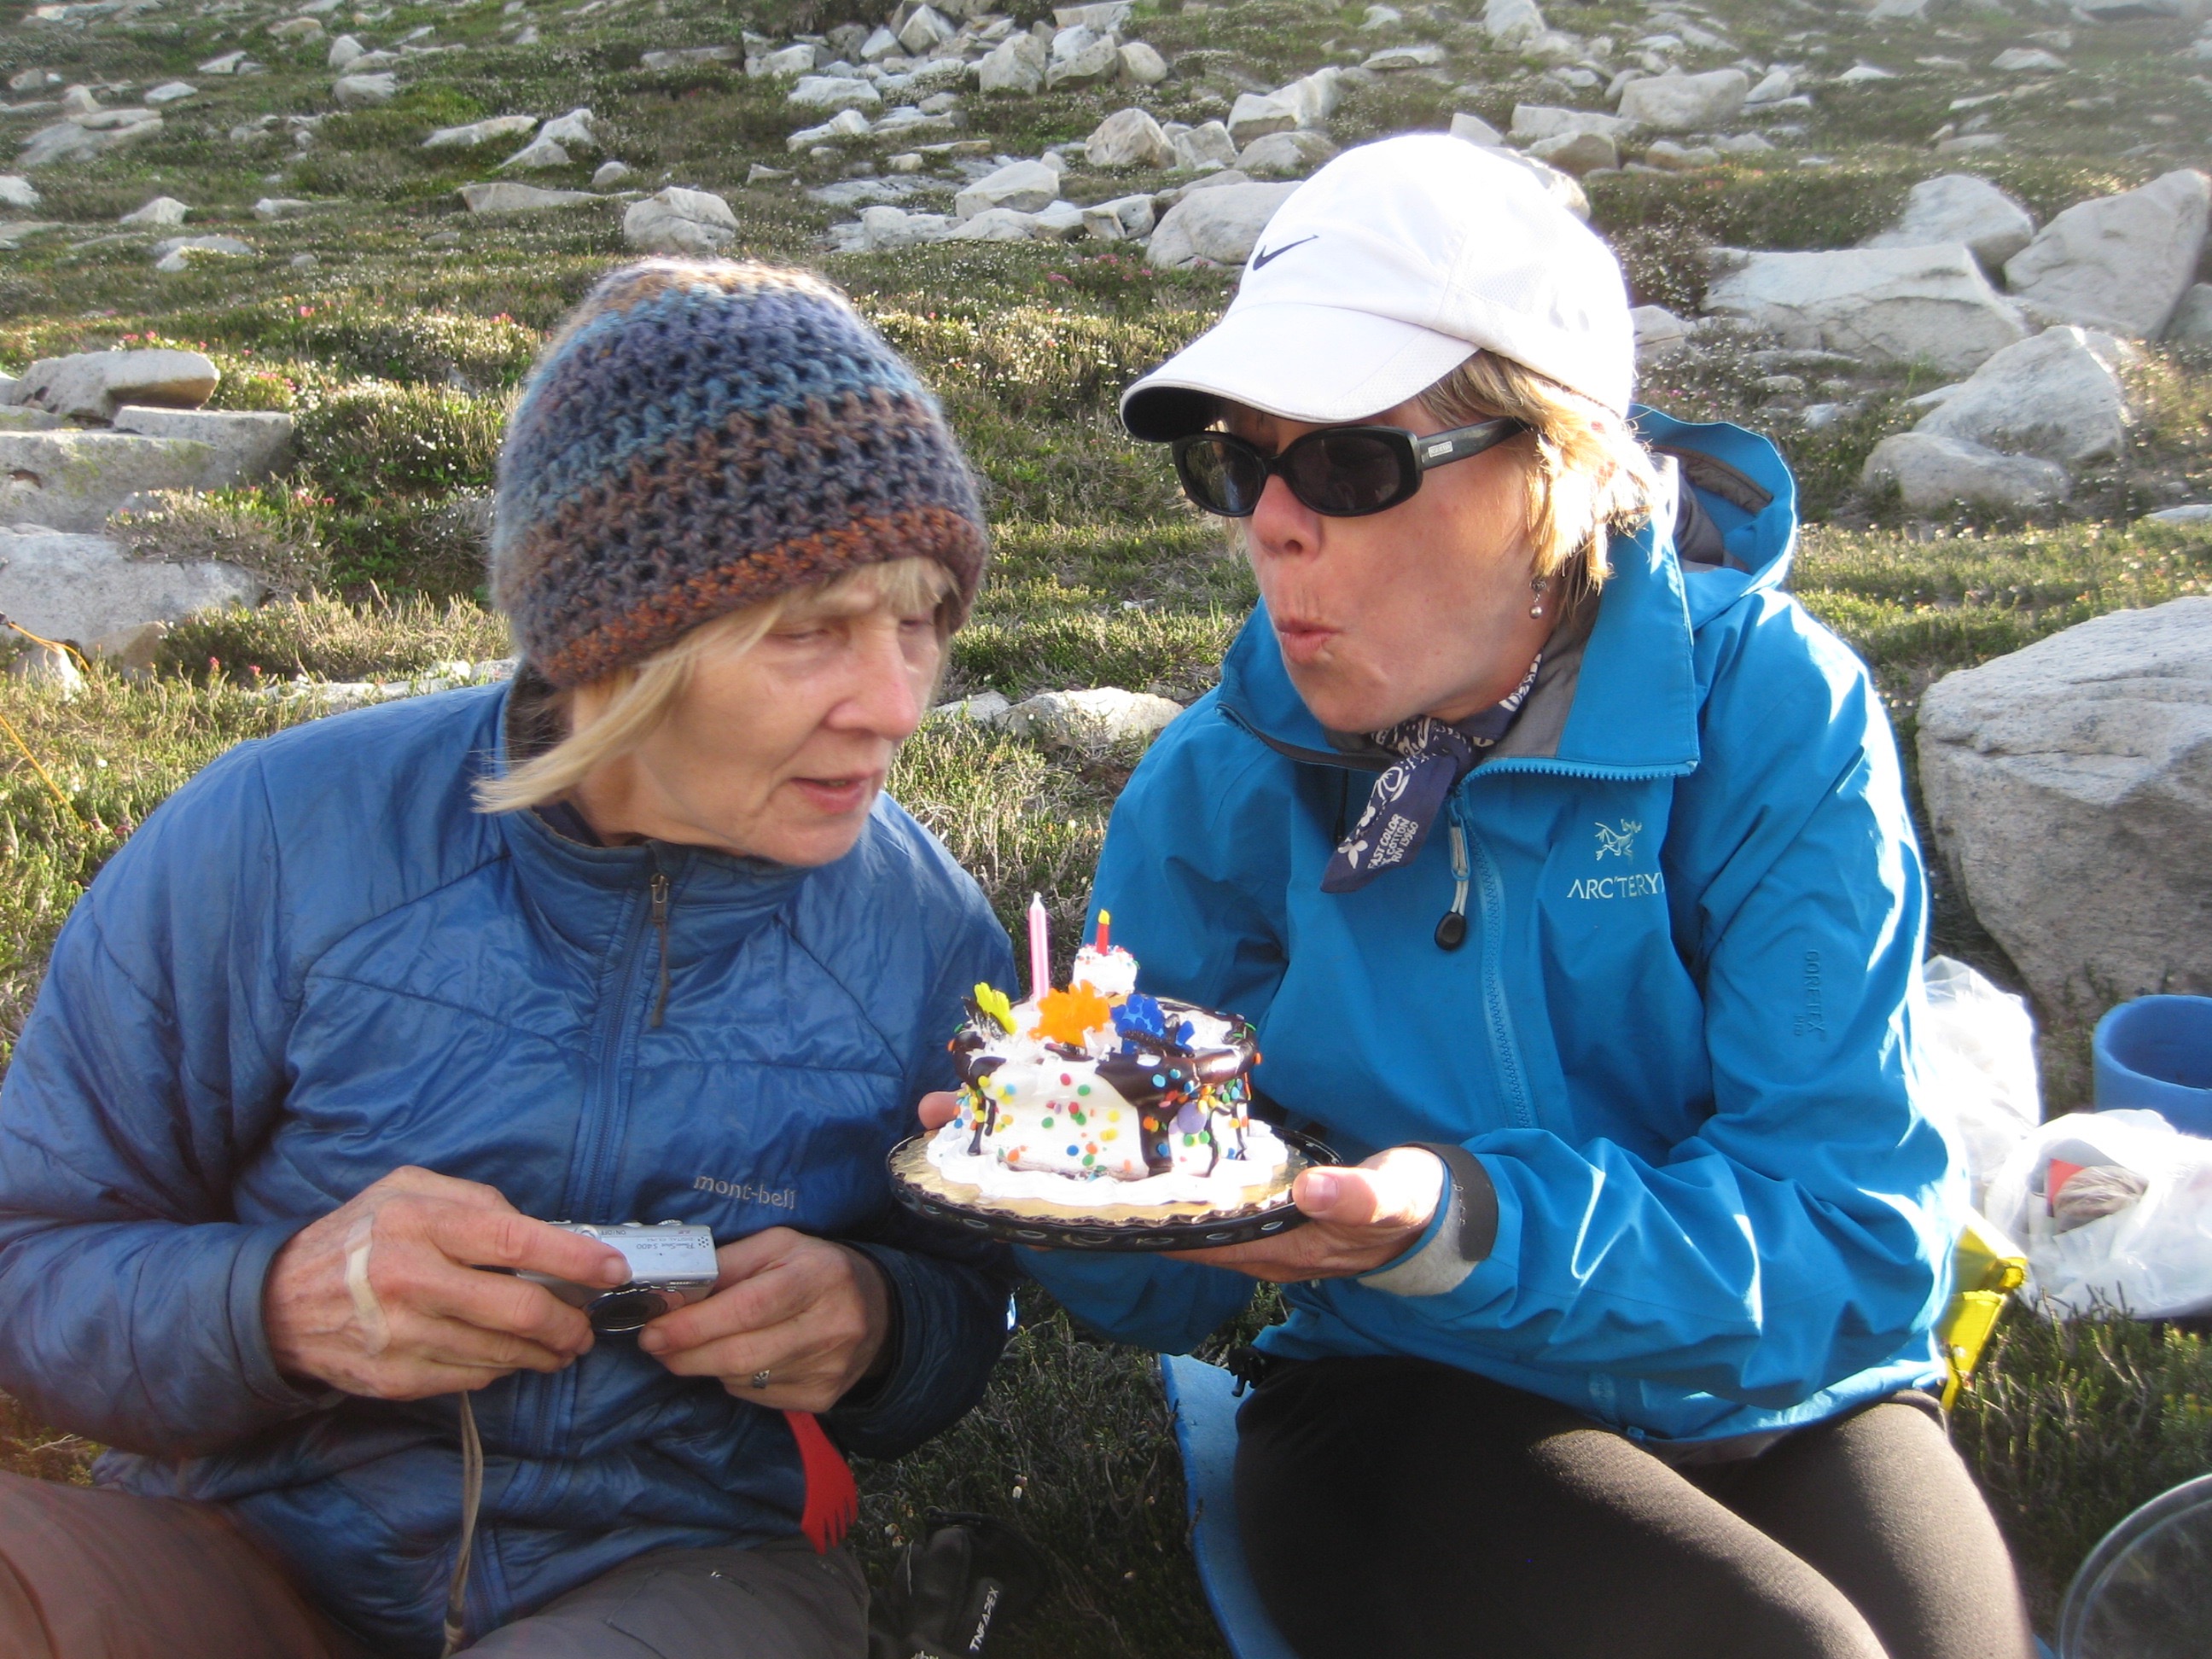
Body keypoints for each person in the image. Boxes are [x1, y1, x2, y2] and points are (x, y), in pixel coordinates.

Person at [950, 137, 2037, 1659]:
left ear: (1559, 469)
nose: (1273, 522)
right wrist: (1066, 1179)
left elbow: (1857, 1247)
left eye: (1349, 462)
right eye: (1240, 463)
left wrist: (1465, 1222)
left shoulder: (1773, 710)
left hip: (1785, 1387)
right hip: (1406, 1387)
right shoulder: (1220, 783)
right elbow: (1155, 1305)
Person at [0, 260, 1018, 1659]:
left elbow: (970, 1300)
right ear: (617, 645)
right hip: (230, 1535)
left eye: (922, 623)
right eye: (810, 631)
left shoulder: (926, 935)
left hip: (678, 1568)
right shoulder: (276, 839)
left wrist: (879, 1324)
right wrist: (275, 1308)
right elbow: (29, 1263)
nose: (895, 704)